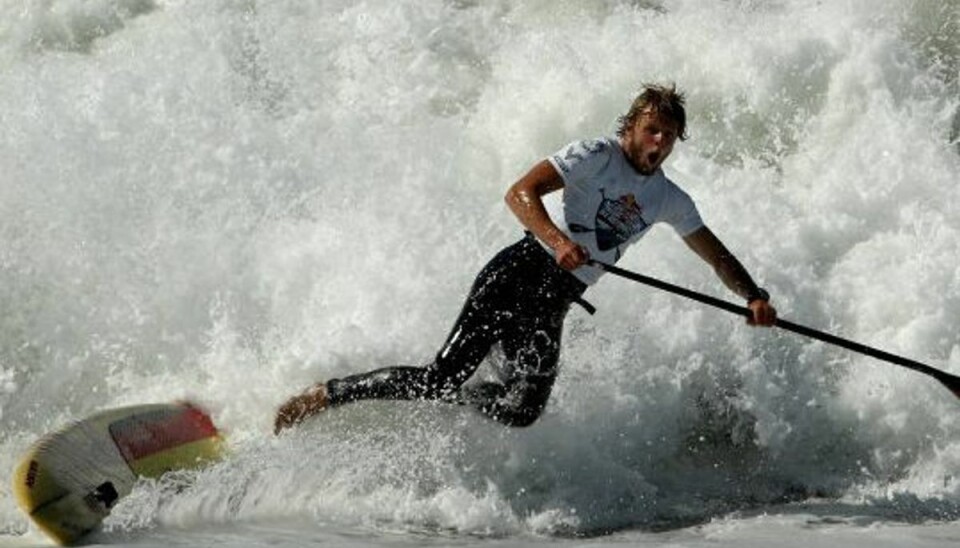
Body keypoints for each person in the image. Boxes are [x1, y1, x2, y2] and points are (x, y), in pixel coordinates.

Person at [273, 83, 777, 434]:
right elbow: (520, 192)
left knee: (521, 410)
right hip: (517, 274)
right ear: (632, 127)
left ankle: (457, 406)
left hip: (552, 302)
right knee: (440, 377)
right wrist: (559, 242)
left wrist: (752, 295)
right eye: (652, 130)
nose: (659, 142)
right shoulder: (595, 155)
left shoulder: (668, 198)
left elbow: (716, 255)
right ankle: (326, 395)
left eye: (669, 135)